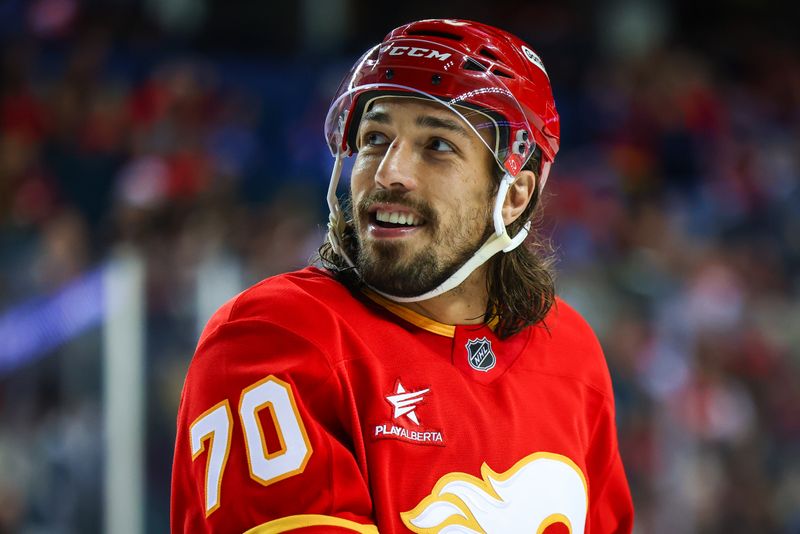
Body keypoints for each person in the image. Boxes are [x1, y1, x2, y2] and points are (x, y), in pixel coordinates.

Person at [171, 19, 634, 534]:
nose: (390, 172)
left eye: (437, 145)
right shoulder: (276, 335)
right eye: (375, 138)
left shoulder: (569, 350)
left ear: (515, 194)